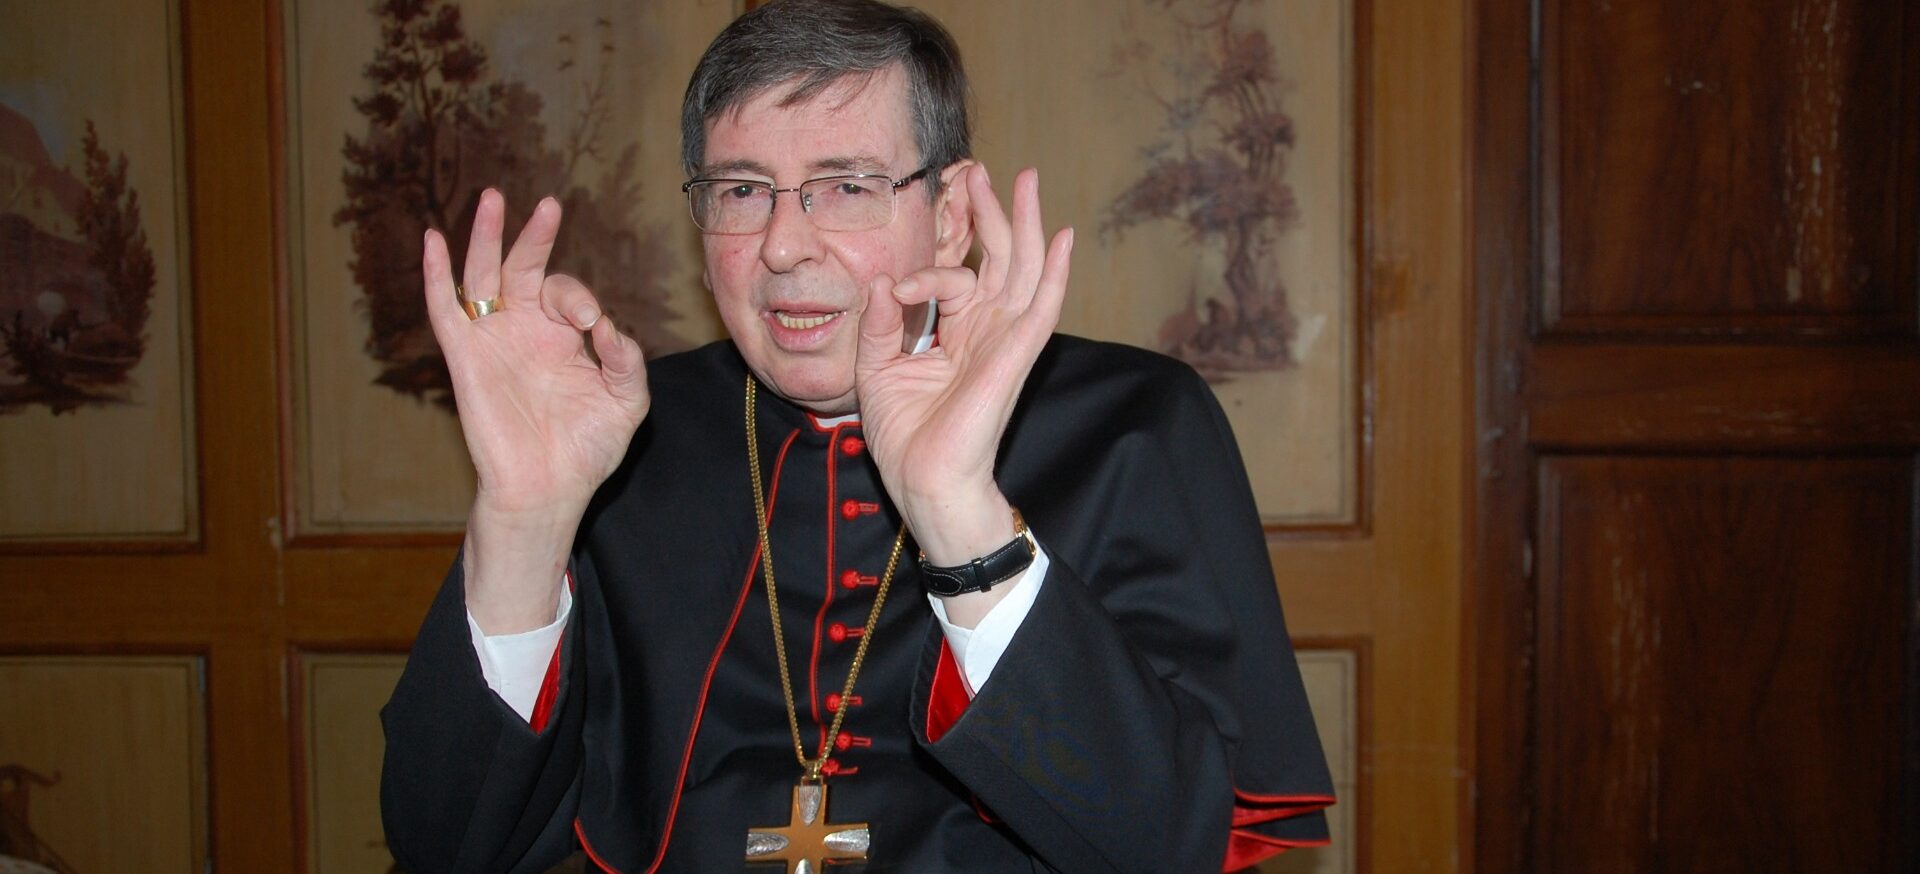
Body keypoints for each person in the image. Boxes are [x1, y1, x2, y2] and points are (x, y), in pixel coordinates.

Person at [380, 1, 1333, 871]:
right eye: (743, 190)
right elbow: (447, 845)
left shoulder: (1136, 424)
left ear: (951, 212)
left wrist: (964, 522)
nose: (784, 247)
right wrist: (523, 520)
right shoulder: (612, 434)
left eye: (845, 186)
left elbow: (1169, 843)